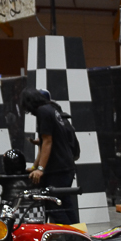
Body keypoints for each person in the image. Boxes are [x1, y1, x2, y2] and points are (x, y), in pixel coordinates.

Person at [21, 87, 78, 225]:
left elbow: (47, 141)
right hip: (66, 166)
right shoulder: (51, 109)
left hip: (57, 168)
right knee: (65, 203)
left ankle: (67, 236)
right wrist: (34, 166)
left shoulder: (42, 112)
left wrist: (40, 169)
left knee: (53, 206)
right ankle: (78, 234)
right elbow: (45, 142)